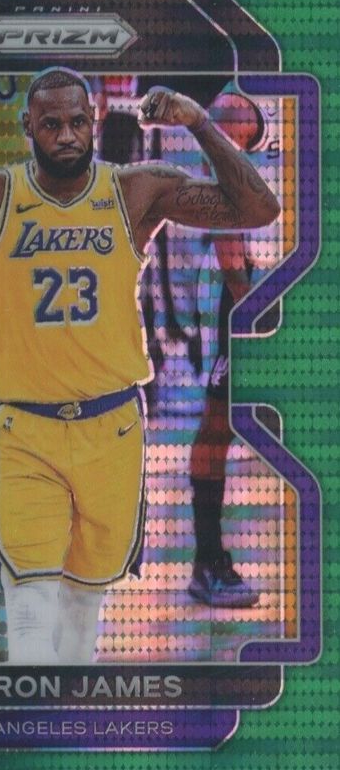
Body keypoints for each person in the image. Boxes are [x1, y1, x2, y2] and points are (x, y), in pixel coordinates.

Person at [0, 69, 280, 664]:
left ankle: (64, 708)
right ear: (28, 127)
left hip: (112, 429)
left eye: (76, 121)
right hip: (27, 430)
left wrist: (199, 122)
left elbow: (258, 208)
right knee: (29, 616)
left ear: (93, 121)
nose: (66, 135)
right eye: (51, 123)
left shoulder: (135, 190)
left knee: (79, 621)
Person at [187, 93, 269, 607]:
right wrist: (243, 292)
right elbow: (221, 174)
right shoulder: (251, 103)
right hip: (256, 288)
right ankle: (208, 561)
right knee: (219, 422)